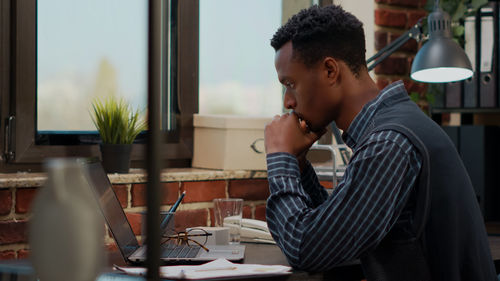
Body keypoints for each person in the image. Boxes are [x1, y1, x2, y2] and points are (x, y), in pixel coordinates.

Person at [264, 4, 497, 281]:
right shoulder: (393, 127)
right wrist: (299, 165)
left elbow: (307, 248)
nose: (287, 102)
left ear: (330, 71)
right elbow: (335, 235)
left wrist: (281, 159)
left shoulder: (388, 143)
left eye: (290, 84)